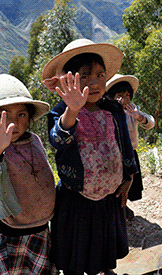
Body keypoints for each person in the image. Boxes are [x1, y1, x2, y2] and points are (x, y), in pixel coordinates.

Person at [42, 38, 138, 275]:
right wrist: (73, 109)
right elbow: (58, 140)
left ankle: (105, 270)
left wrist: (129, 177)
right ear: (67, 80)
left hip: (109, 195)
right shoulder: (60, 113)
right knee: (78, 247)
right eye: (84, 77)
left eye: (100, 75)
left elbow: (125, 146)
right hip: (78, 197)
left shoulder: (113, 110)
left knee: (104, 240)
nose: (94, 83)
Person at [0, 74, 57, 274]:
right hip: (9, 234)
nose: (13, 123)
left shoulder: (34, 141)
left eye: (21, 115)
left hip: (40, 230)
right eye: (5, 114)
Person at [105, 74, 155, 219]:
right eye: (120, 95)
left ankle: (124, 207)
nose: (124, 99)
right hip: (113, 156)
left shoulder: (132, 111)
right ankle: (118, 209)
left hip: (130, 154)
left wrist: (138, 116)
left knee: (130, 184)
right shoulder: (106, 112)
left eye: (127, 95)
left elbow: (150, 122)